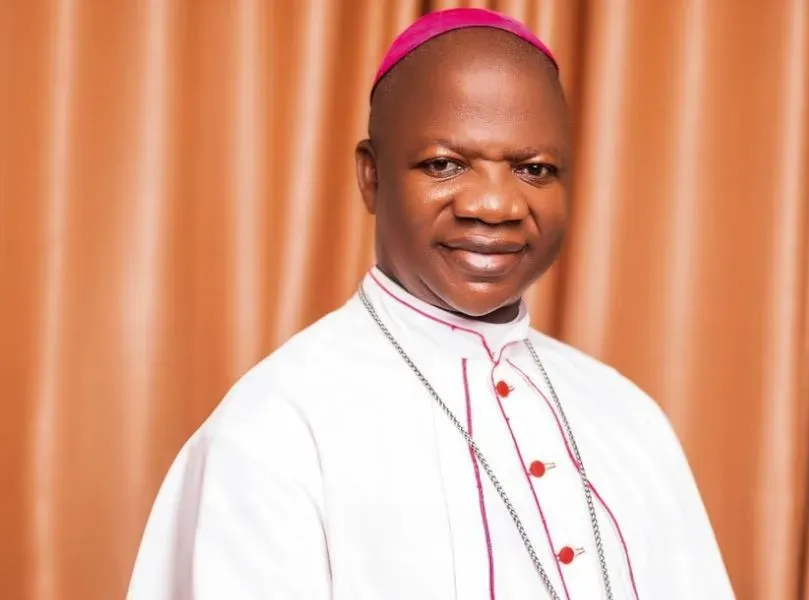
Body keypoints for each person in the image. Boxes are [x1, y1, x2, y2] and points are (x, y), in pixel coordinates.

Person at [126, 8, 735, 600]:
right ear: (371, 176)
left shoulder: (629, 418)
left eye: (534, 169)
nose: (494, 205)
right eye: (445, 164)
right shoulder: (275, 428)